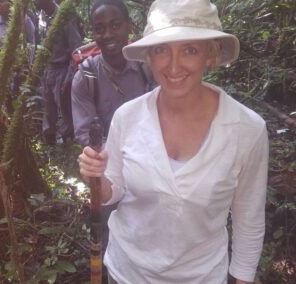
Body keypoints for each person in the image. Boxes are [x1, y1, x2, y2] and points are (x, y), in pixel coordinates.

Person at [78, 0, 269, 283]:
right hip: (126, 271)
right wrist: (97, 175)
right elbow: (113, 192)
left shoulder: (246, 129)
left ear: (209, 54)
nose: (174, 65)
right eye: (161, 50)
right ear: (150, 57)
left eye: (189, 50)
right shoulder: (127, 117)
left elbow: (248, 220)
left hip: (201, 276)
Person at [71, 0, 154, 146]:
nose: (108, 34)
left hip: (152, 152)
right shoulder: (85, 79)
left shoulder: (148, 68)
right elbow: (85, 134)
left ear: (129, 25)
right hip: (109, 160)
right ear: (93, 33)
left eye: (115, 25)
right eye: (100, 28)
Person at [34, 0, 83, 144]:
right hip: (47, 68)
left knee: (65, 106)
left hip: (63, 68)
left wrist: (70, 75)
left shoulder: (64, 16)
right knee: (47, 107)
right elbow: (37, 43)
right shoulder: (41, 17)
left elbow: (76, 48)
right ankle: (50, 143)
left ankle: (70, 143)